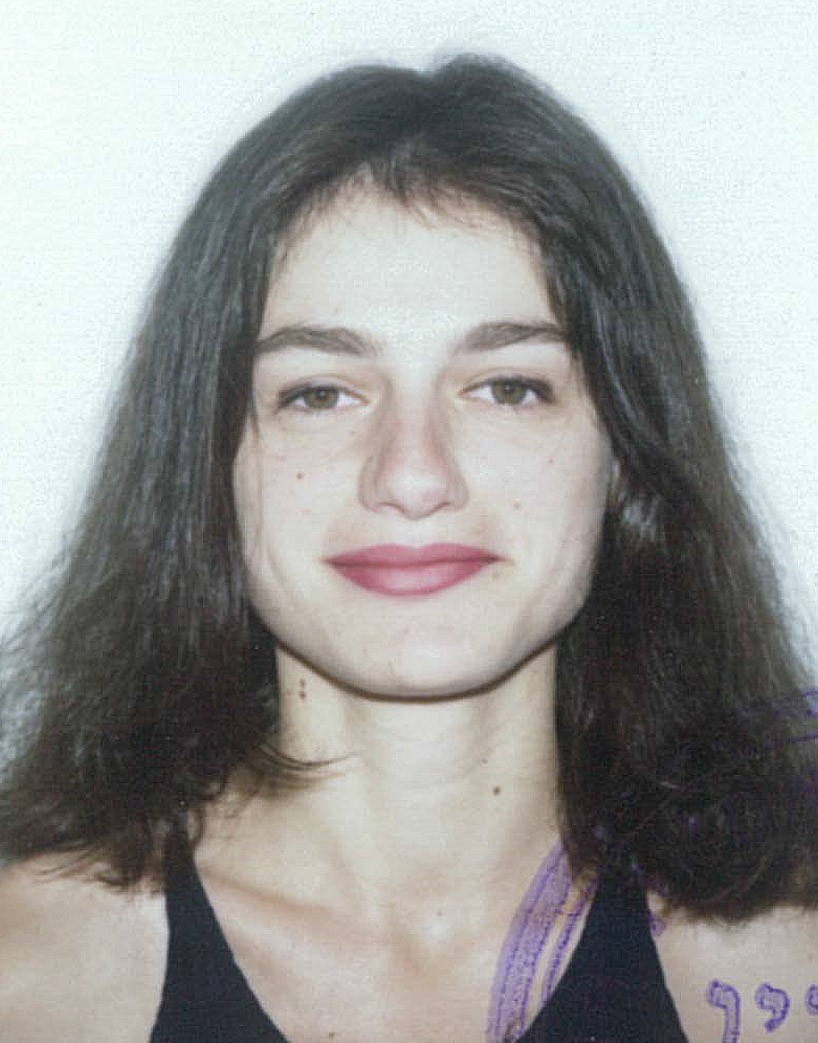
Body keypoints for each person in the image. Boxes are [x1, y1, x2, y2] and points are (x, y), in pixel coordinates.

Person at [0, 54, 816, 1043]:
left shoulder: (781, 979)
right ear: (204, 463)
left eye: (508, 387)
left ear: (627, 455)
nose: (413, 474)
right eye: (318, 393)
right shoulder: (28, 982)